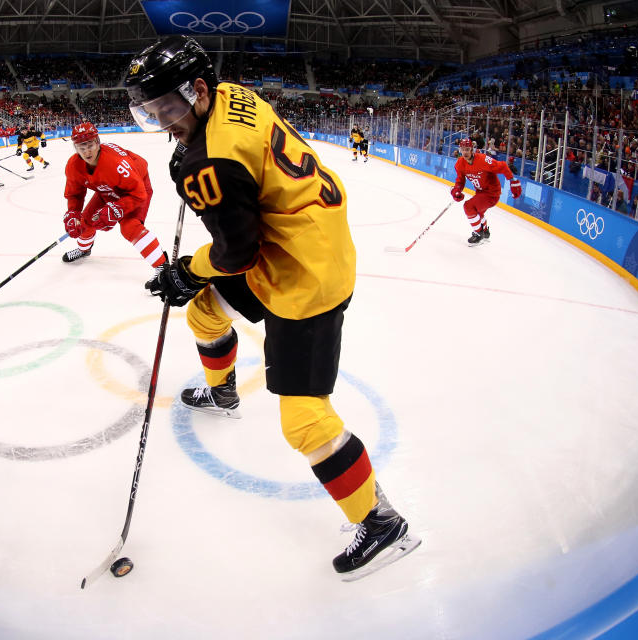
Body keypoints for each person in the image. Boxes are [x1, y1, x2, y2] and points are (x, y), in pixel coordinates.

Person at [125, 35, 419, 580]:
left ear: (197, 91)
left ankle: (382, 523)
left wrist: (187, 268)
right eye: (151, 109)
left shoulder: (208, 162)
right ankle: (225, 391)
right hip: (299, 244)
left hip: (304, 278)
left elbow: (237, 252)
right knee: (204, 310)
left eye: (166, 107)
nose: (161, 120)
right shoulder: (232, 95)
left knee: (305, 420)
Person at [60, 121, 168, 277]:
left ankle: (163, 267)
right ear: (75, 148)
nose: (87, 152)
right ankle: (84, 249)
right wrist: (73, 213)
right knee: (85, 220)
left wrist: (116, 209)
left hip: (135, 189)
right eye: (81, 148)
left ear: (97, 142)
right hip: (107, 188)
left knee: (130, 227)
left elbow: (139, 193)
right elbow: (74, 194)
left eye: (90, 145)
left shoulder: (116, 164)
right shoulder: (73, 165)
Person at [451, 138, 521, 246]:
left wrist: (513, 181)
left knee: (468, 207)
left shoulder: (483, 160)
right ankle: (485, 232)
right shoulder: (460, 163)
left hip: (492, 193)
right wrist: (457, 190)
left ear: (472, 150)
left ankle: (479, 234)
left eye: (467, 149)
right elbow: (460, 180)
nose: (465, 152)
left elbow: (502, 166)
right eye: (462, 149)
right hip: (481, 192)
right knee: (477, 213)